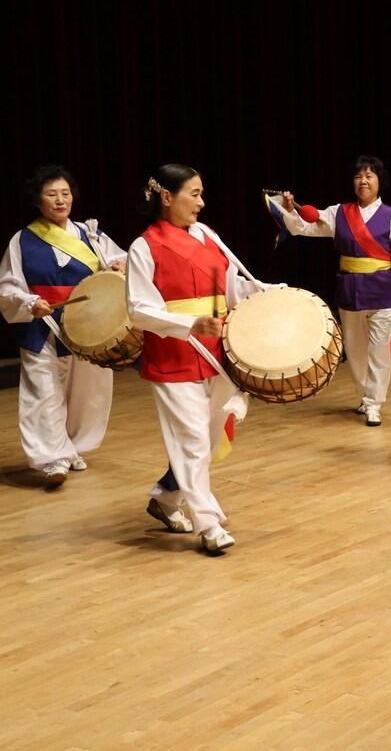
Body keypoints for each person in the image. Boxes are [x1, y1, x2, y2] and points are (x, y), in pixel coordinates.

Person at [127, 164, 278, 552]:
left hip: (218, 352)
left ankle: (166, 499)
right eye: (193, 193)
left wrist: (265, 293)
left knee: (210, 440)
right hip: (174, 355)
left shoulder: (209, 236)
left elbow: (230, 289)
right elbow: (139, 310)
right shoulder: (144, 246)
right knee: (193, 440)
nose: (201, 202)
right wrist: (191, 323)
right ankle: (208, 526)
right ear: (166, 196)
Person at [0, 165, 127, 487]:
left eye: (65, 193)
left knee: (86, 392)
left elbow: (118, 261)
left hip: (87, 325)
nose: (60, 200)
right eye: (51, 194)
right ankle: (52, 459)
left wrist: (121, 264)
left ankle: (72, 446)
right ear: (37, 200)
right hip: (43, 324)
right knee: (43, 392)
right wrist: (28, 302)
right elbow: (5, 286)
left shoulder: (90, 234)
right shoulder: (23, 240)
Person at [278, 156, 391, 427]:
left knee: (379, 350)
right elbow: (303, 227)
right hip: (351, 290)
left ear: (379, 182)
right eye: (358, 176)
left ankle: (375, 402)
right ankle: (365, 395)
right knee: (355, 349)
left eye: (369, 176)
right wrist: (289, 209)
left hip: (382, 291)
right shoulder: (339, 213)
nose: (363, 180)